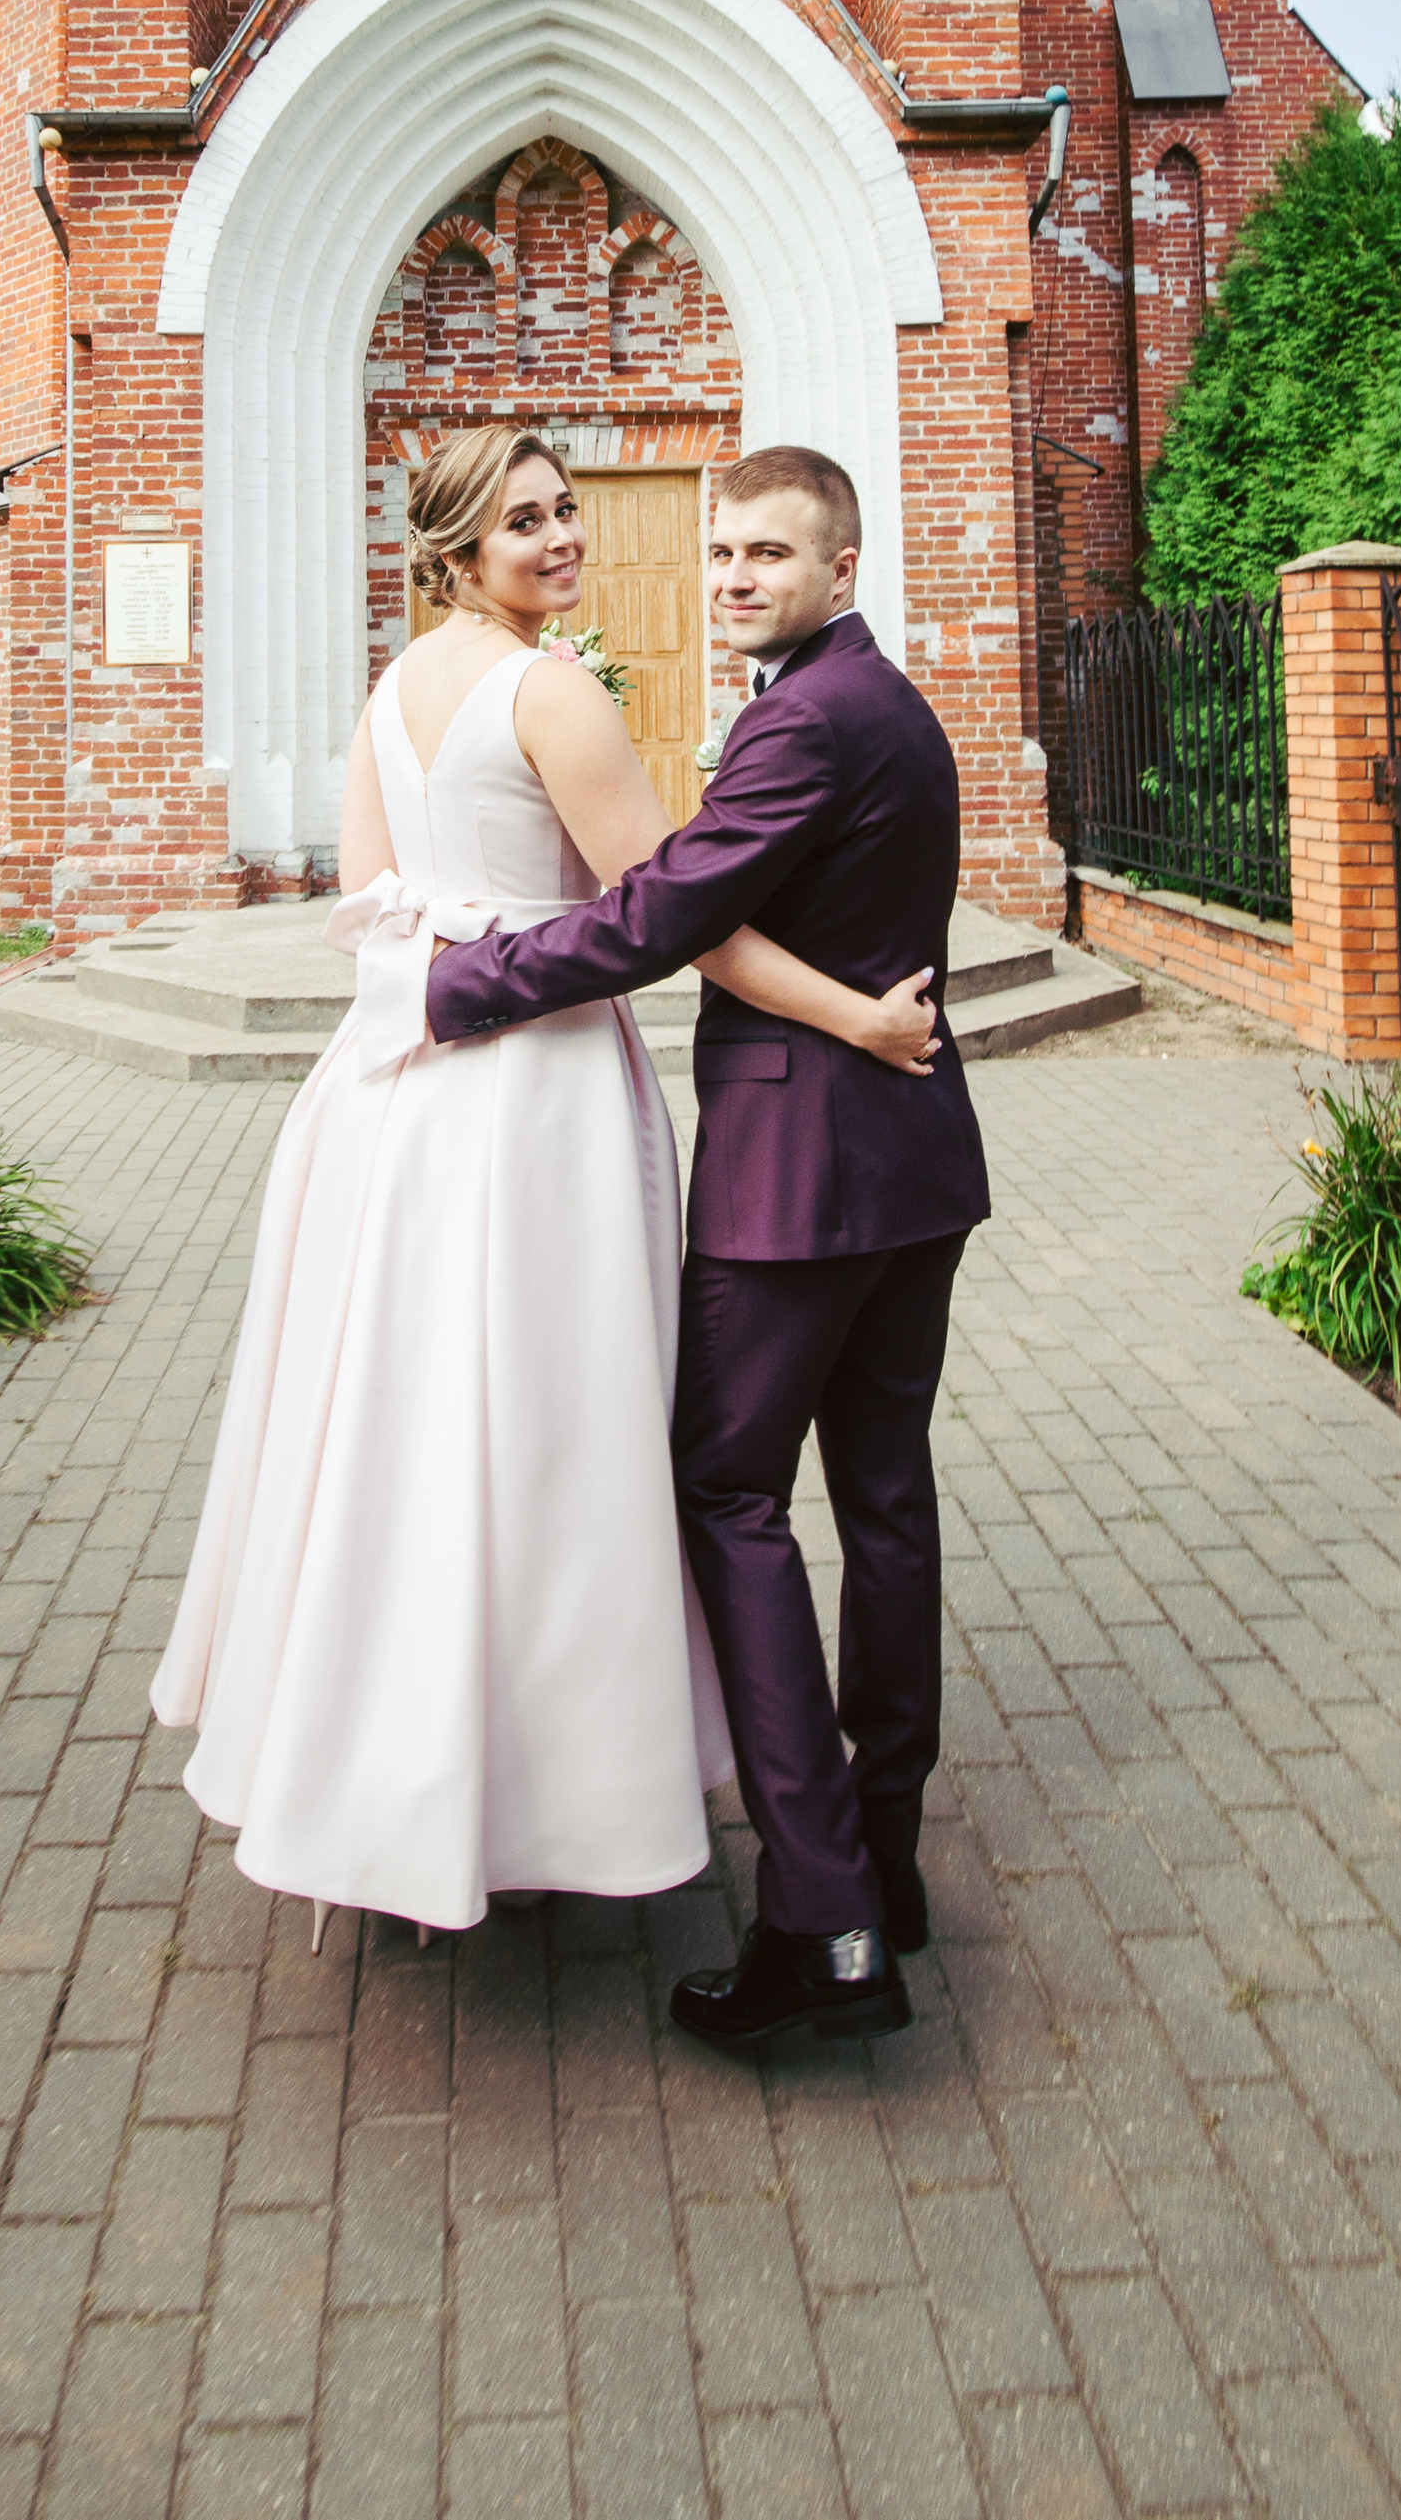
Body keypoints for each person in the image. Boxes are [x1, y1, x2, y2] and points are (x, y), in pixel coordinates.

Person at [151, 424, 938, 1940]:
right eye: (527, 521)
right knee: (547, 1434)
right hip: (539, 1097)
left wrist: (440, 982)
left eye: (567, 506)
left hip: (391, 1112)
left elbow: (379, 918)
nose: (564, 535)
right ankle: (551, 1784)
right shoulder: (549, 687)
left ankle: (386, 1775)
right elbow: (676, 918)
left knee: (399, 1435)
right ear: (460, 552)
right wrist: (856, 1012)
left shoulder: (387, 696)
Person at [427, 445, 990, 2059]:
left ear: (845, 559)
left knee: (726, 1492)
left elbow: (665, 906)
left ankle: (821, 1920)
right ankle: (888, 1851)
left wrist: (462, 985)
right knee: (883, 1502)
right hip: (914, 1168)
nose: (736, 574)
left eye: (769, 552)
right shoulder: (882, 699)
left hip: (798, 1184)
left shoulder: (803, 718)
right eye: (721, 548)